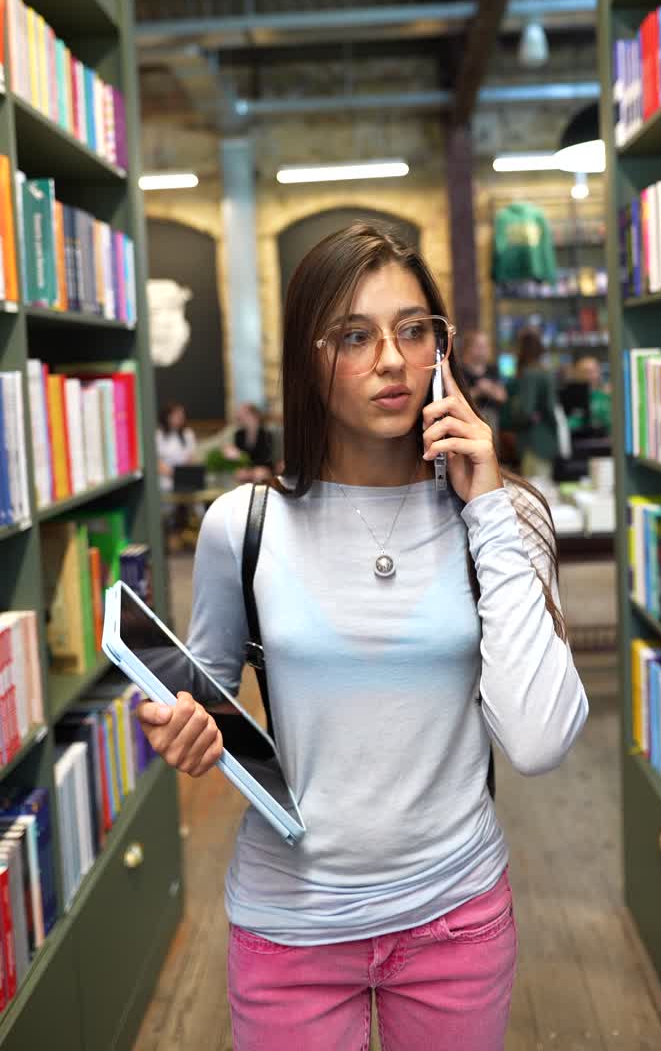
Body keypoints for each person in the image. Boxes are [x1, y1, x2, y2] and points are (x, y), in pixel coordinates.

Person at [137, 223, 588, 1051]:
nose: (391, 359)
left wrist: (486, 505)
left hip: (456, 918)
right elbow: (201, 696)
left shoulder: (503, 516)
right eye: (355, 335)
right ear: (310, 359)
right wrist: (184, 726)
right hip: (291, 924)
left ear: (442, 352)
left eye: (414, 330)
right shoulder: (245, 525)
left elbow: (539, 739)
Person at [508, 328, 559, 481]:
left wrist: (515, 411)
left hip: (533, 443)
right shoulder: (546, 372)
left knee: (535, 489)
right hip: (546, 440)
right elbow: (551, 408)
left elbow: (525, 411)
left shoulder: (529, 374)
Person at [460, 329, 507, 435]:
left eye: (486, 346)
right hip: (467, 423)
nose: (484, 350)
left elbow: (502, 396)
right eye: (479, 346)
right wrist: (478, 391)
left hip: (491, 423)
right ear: (468, 348)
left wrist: (488, 389)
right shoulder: (460, 371)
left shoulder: (492, 369)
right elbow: (458, 399)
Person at [155, 402, 197, 493]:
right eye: (176, 415)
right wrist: (175, 474)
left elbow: (191, 458)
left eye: (182, 414)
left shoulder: (188, 433)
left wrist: (184, 474)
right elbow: (157, 462)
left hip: (185, 477)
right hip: (165, 478)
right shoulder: (159, 435)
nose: (180, 417)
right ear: (167, 416)